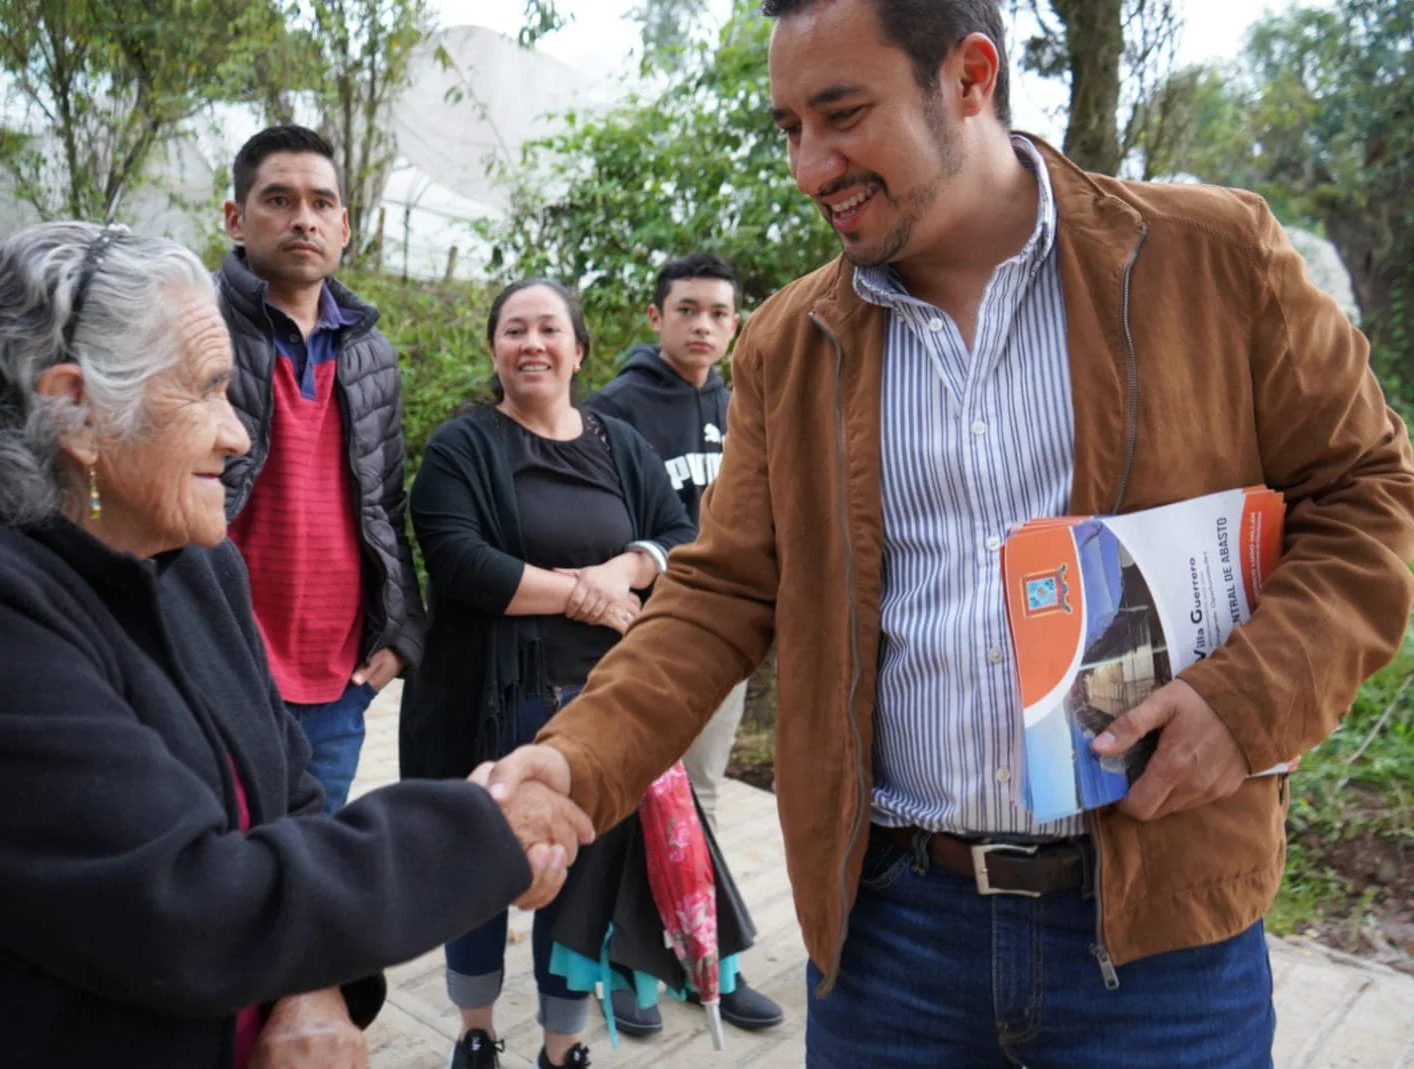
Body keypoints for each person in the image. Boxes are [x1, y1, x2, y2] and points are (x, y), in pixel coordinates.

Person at [486, 0, 1414, 1065]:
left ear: (969, 76)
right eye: (789, 126)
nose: (808, 166)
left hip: (1164, 939)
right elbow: (722, 593)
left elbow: (1367, 490)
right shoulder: (790, 344)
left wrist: (1243, 700)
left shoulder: (1211, 258)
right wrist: (574, 763)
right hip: (891, 938)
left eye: (841, 114)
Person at [0, 223, 593, 1069]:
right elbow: (176, 902)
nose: (239, 434)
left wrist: (308, 987)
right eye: (210, 391)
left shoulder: (193, 565)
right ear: (73, 409)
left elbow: (288, 800)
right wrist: (475, 833)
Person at [400, 279, 740, 1069]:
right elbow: (461, 562)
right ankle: (475, 1029)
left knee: (580, 879)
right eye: (514, 329)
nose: (532, 343)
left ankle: (564, 1043)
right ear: (494, 349)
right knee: (479, 868)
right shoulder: (463, 446)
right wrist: (591, 595)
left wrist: (624, 569)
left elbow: (674, 535)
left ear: (578, 348)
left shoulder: (618, 443)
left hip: (598, 708)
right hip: (484, 706)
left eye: (549, 328)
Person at [583, 252, 784, 1036]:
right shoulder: (614, 409)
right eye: (688, 309)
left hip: (720, 642)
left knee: (697, 799)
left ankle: (704, 954)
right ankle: (620, 959)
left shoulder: (744, 407)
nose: (704, 325)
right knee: (626, 796)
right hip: (639, 641)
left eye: (720, 313)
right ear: (655, 316)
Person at [216, 124, 425, 811]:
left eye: (320, 202)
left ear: (344, 226)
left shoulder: (372, 355)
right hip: (218, 671)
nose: (302, 217)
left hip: (339, 685)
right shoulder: (195, 326)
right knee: (210, 886)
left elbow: (385, 503)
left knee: (306, 886)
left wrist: (401, 632)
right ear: (235, 218)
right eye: (278, 199)